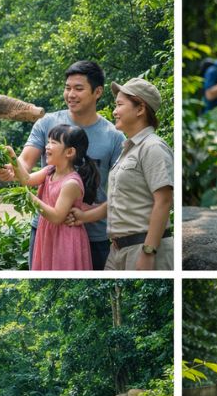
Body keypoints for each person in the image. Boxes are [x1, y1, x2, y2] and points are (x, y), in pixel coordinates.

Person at [0, 60, 124, 270]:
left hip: (94, 237)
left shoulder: (114, 137)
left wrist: (85, 217)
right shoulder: (47, 123)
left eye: (78, 88)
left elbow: (122, 194)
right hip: (45, 231)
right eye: (67, 88)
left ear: (98, 92)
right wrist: (11, 168)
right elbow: (25, 163)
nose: (71, 94)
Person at [68, 78, 173, 270]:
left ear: (140, 109)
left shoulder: (153, 147)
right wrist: (84, 216)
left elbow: (164, 201)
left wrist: (149, 251)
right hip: (117, 251)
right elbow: (119, 200)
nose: (114, 111)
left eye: (119, 105)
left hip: (142, 248)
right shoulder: (128, 148)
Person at [4, 124, 98, 270]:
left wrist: (29, 197)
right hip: (48, 233)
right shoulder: (49, 171)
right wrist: (12, 157)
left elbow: (56, 217)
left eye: (53, 142)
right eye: (48, 142)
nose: (47, 146)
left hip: (65, 238)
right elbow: (26, 179)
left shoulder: (71, 183)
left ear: (69, 152)